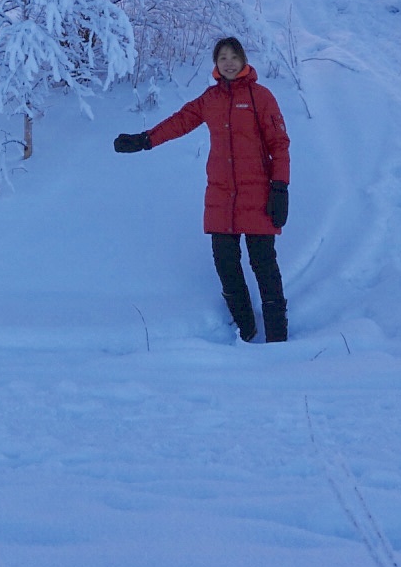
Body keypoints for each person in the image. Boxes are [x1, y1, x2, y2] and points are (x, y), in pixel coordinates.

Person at [114, 36, 290, 343]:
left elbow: (279, 143)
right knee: (225, 264)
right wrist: (144, 140)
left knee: (264, 264)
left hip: (259, 195)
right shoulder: (210, 99)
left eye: (234, 57)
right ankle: (246, 331)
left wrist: (280, 187)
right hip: (221, 197)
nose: (229, 62)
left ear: (244, 60)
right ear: (216, 64)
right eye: (223, 58)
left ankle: (277, 336)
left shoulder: (261, 97)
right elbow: (180, 122)